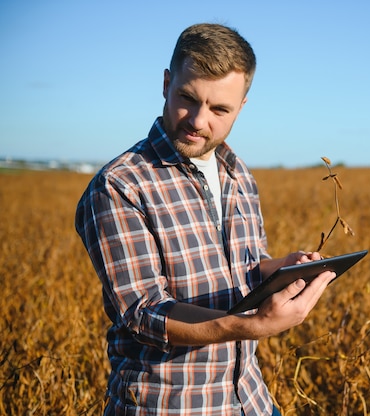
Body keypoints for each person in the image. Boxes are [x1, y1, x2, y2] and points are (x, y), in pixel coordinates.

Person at [75, 23, 335, 415]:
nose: (198, 121)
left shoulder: (238, 173)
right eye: (187, 98)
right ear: (166, 83)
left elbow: (243, 270)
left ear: (242, 106)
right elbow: (145, 313)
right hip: (167, 406)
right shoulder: (119, 186)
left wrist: (279, 268)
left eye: (219, 109)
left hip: (251, 400)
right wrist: (254, 325)